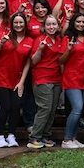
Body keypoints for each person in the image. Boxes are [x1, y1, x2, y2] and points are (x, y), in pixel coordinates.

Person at [0, 13, 33, 148]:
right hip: (0, 77)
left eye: (21, 22)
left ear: (25, 24)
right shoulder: (4, 35)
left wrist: (22, 82)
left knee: (16, 107)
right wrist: (1, 43)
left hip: (16, 79)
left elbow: (27, 63)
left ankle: (11, 135)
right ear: (12, 24)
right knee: (6, 107)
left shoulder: (30, 41)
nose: (18, 25)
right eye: (16, 23)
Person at [27, 15, 66, 148]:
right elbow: (33, 61)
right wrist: (40, 49)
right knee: (45, 108)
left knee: (52, 109)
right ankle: (34, 137)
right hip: (42, 78)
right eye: (48, 24)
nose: (51, 27)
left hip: (56, 78)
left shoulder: (60, 39)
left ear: (58, 26)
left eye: (54, 24)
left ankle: (45, 135)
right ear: (44, 27)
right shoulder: (39, 39)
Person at [60, 13, 84, 149]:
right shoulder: (67, 38)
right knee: (77, 108)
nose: (81, 24)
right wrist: (68, 50)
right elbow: (61, 60)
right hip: (72, 78)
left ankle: (73, 137)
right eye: (78, 22)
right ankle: (66, 139)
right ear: (73, 23)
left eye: (83, 22)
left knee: (80, 110)